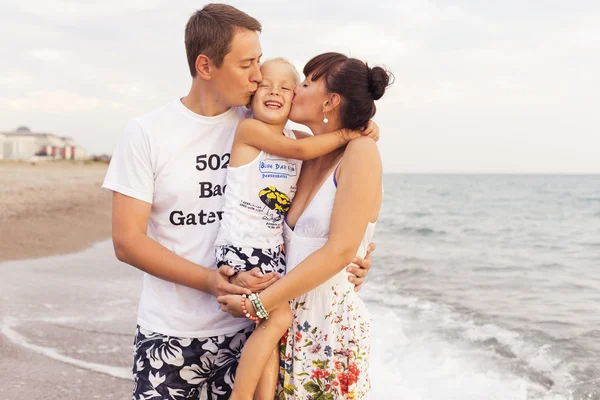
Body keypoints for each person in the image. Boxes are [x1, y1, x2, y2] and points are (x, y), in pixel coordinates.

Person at [101, 5, 374, 399]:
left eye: (259, 61)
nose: (259, 75)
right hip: (173, 332)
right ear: (206, 66)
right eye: (247, 63)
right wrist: (211, 282)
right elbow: (127, 242)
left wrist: (353, 258)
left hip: (250, 330)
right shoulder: (147, 133)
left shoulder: (266, 124)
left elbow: (316, 206)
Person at [218, 52, 393, 399]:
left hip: (327, 331)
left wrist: (260, 303)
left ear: (330, 101)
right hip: (282, 325)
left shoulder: (360, 152)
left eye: (306, 82)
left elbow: (342, 250)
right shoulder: (298, 150)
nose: (294, 90)